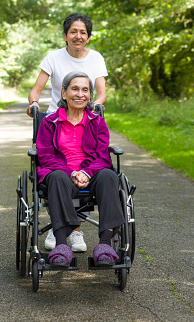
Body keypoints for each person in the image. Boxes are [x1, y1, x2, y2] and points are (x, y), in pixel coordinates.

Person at [27, 13, 108, 252]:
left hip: (86, 115)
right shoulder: (53, 57)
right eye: (73, 31)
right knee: (59, 169)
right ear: (65, 35)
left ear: (88, 37)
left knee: (91, 165)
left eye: (83, 32)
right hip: (56, 121)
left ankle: (73, 230)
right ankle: (62, 227)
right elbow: (36, 91)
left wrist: (94, 104)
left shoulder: (96, 58)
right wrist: (33, 104)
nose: (78, 36)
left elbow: (101, 93)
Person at [35, 71, 124, 267]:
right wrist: (71, 173)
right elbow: (46, 156)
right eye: (74, 89)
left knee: (109, 176)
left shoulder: (97, 122)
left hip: (90, 174)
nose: (80, 94)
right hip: (61, 175)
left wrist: (85, 172)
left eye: (85, 90)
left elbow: (102, 155)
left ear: (90, 95)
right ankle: (60, 246)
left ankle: (105, 245)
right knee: (57, 177)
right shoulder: (49, 123)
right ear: (64, 92)